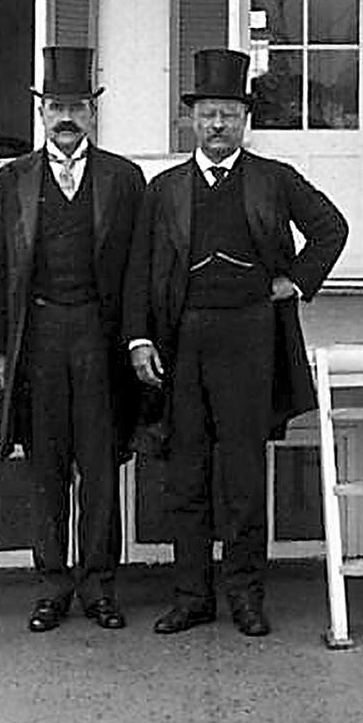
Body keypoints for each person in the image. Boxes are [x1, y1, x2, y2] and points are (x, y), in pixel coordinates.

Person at [125, 48, 348, 638]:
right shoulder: (165, 189)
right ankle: (192, 596)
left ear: (245, 120)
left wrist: (294, 282)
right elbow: (141, 272)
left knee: (245, 475)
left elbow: (332, 228)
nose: (217, 125)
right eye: (207, 115)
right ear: (191, 122)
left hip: (250, 337)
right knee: (187, 472)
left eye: (227, 113)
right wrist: (142, 339)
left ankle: (246, 596)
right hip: (183, 340)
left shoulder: (273, 181)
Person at [0, 46, 146, 633]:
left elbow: (138, 272)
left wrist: (135, 340)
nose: (66, 116)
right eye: (55, 106)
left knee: (100, 468)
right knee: (46, 467)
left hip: (99, 338)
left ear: (92, 113)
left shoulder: (124, 179)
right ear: (41, 113)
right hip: (40, 337)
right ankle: (52, 587)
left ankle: (100, 587)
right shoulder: (13, 179)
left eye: (76, 105)